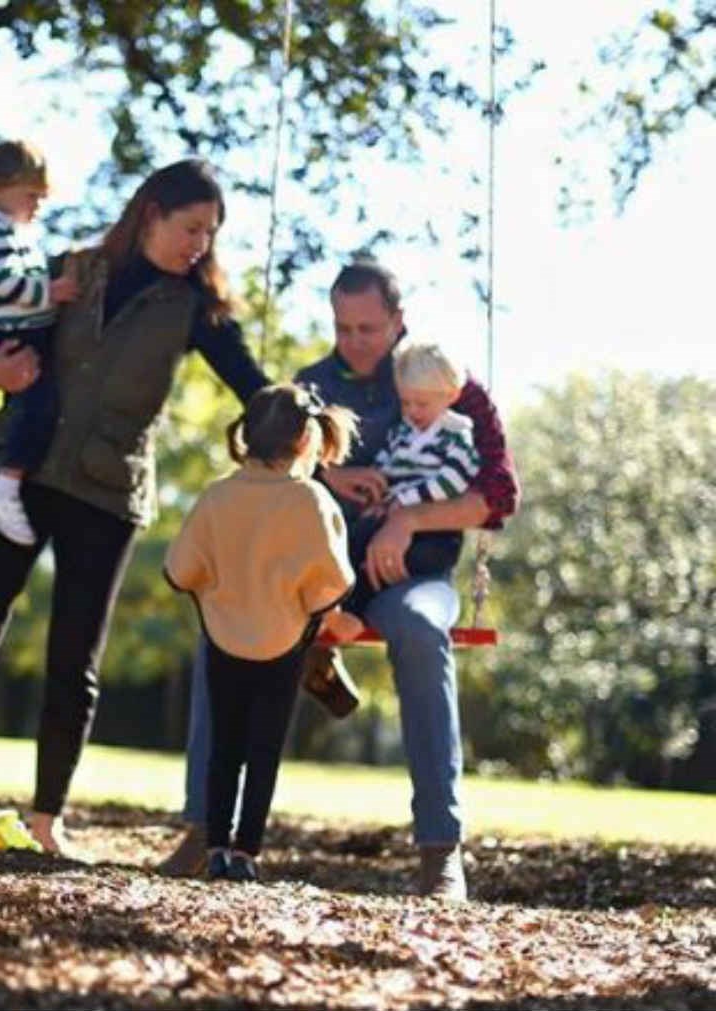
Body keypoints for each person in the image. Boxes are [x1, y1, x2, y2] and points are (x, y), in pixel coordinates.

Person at [0, 159, 270, 854]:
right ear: (151, 213)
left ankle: (46, 822)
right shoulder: (71, 269)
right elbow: (3, 336)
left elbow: (254, 385)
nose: (199, 243)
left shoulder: (195, 307)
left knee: (74, 661)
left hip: (106, 490)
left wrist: (310, 431)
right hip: (18, 473)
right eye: (190, 227)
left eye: (210, 232)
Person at [158, 258, 520, 900]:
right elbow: (272, 471)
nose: (353, 342)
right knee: (222, 626)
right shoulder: (313, 388)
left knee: (418, 631)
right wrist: (329, 476)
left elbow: (498, 496)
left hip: (413, 575)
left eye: (369, 329)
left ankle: (441, 848)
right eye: (343, 327)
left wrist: (407, 518)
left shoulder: (440, 381)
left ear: (399, 322)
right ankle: (201, 828)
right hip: (314, 579)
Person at [165, 384, 357, 882]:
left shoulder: (216, 496)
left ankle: (215, 849)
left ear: (246, 435)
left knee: (223, 745)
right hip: (284, 641)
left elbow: (180, 569)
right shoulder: (309, 500)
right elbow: (333, 580)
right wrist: (313, 613)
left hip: (223, 636)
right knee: (264, 749)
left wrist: (220, 590)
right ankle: (247, 851)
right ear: (303, 441)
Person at [325, 338, 481, 640]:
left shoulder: (457, 435)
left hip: (435, 535)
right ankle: (331, 604)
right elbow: (388, 463)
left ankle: (353, 613)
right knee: (354, 536)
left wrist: (402, 500)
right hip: (392, 515)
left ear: (451, 395)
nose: (412, 411)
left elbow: (452, 481)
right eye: (406, 402)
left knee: (377, 555)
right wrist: (376, 484)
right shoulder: (403, 432)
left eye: (421, 403)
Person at [0, 140, 80, 546]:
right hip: (15, 335)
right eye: (31, 195)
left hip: (25, 328)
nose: (37, 205)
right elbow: (5, 284)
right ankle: (7, 483)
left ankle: (9, 481)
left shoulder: (15, 232)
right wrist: (51, 292)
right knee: (39, 407)